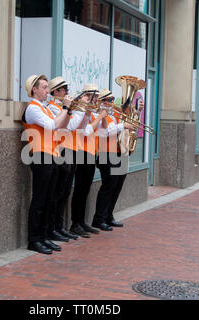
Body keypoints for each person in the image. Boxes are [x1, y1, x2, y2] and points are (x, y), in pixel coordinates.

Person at [22, 74, 72, 254]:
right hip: (40, 156)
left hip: (51, 155)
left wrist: (68, 110)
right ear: (34, 90)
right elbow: (52, 126)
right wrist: (65, 107)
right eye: (43, 87)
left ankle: (44, 236)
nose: (46, 90)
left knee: (49, 199)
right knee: (40, 200)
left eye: (46, 87)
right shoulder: (33, 108)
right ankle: (34, 239)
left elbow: (63, 125)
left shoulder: (44, 108)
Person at [46, 76, 85, 242]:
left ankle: (59, 226)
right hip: (60, 150)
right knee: (57, 193)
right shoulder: (54, 108)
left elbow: (82, 127)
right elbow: (70, 126)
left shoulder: (63, 108)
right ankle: (53, 227)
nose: (68, 93)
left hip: (69, 150)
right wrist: (75, 109)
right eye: (65, 90)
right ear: (57, 92)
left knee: (64, 192)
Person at [91, 89, 136, 231]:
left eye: (112, 99)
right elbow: (106, 131)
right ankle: (99, 219)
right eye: (109, 100)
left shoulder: (113, 115)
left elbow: (129, 120)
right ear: (102, 102)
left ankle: (108, 215)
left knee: (117, 186)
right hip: (105, 154)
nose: (112, 102)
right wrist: (123, 125)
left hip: (117, 152)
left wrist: (137, 112)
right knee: (108, 186)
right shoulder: (100, 115)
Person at [70, 84, 108, 238]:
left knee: (85, 189)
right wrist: (98, 116)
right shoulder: (81, 111)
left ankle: (82, 221)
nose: (97, 99)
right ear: (87, 96)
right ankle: (75, 223)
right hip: (82, 151)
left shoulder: (92, 113)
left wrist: (102, 117)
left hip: (91, 152)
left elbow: (104, 132)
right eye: (95, 96)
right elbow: (84, 132)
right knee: (79, 189)